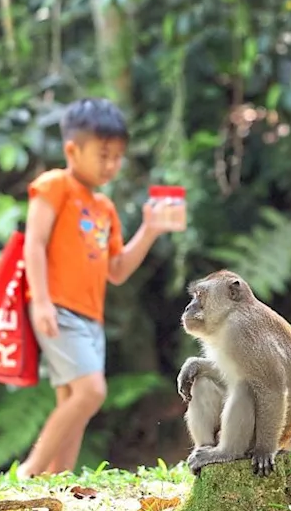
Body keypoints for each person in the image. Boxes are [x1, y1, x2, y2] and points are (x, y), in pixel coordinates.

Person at [16, 98, 177, 479]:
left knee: (73, 399)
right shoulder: (56, 186)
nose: (112, 165)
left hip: (90, 316)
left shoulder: (104, 207)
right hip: (57, 308)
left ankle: (58, 481)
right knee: (92, 392)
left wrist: (150, 230)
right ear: (73, 150)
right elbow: (34, 243)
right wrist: (39, 302)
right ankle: (31, 471)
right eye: (104, 155)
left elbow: (117, 270)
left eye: (118, 156)